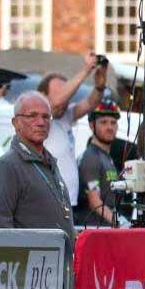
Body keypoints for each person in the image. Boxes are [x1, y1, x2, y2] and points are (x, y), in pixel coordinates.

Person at [0, 91, 75, 241]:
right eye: (32, 116)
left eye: (46, 117)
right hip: (30, 256)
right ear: (16, 123)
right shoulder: (7, 166)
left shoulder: (49, 162)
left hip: (58, 255)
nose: (41, 122)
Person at [39, 52, 108, 209]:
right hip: (50, 203)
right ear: (42, 96)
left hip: (68, 202)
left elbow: (91, 103)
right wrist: (86, 70)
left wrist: (100, 85)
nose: (65, 101)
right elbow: (56, 103)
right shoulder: (41, 119)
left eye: (68, 94)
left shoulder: (65, 116)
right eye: (61, 93)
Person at [75, 100, 123, 227]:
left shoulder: (106, 156)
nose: (109, 127)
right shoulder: (91, 157)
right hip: (94, 228)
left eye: (113, 123)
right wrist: (120, 224)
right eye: (103, 122)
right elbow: (95, 202)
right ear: (92, 126)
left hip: (105, 227)